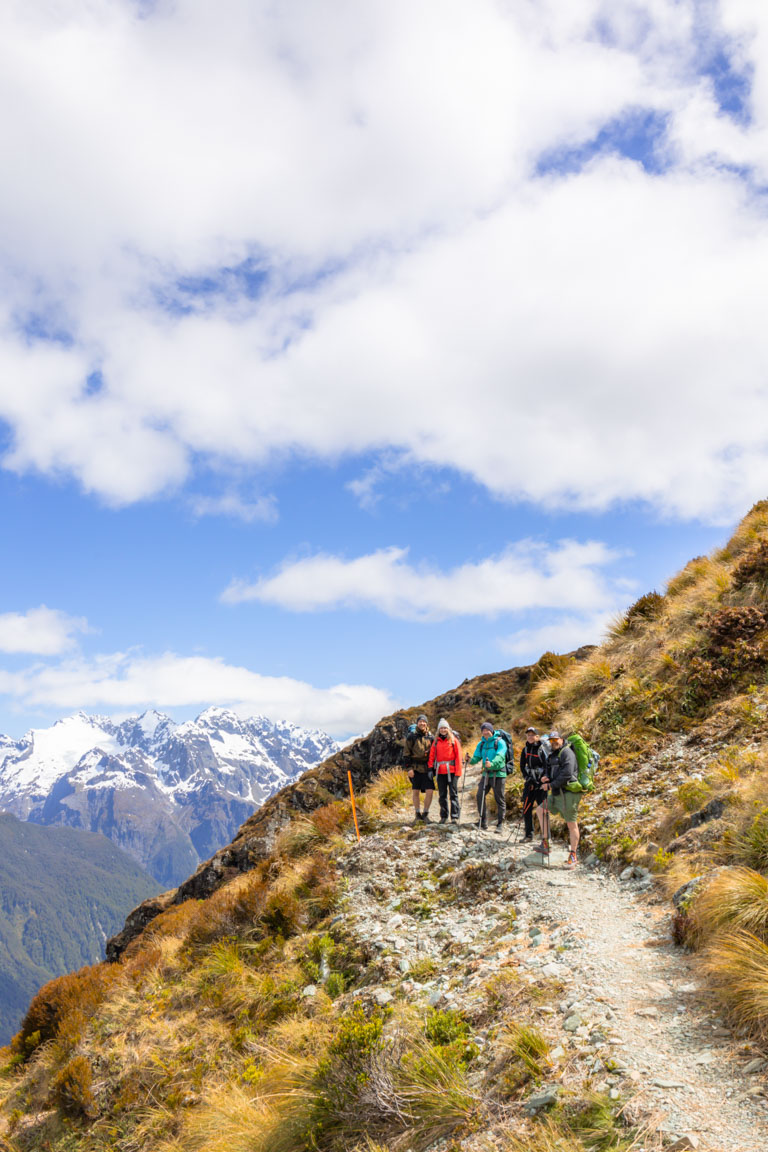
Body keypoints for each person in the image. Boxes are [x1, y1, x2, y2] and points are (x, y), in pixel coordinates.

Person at [536, 729, 580, 869]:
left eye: (556, 740)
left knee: (571, 823)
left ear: (561, 739)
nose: (553, 742)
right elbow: (549, 770)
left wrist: (550, 785)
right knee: (540, 810)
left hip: (568, 793)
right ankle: (545, 843)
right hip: (556, 792)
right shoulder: (552, 754)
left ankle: (573, 855)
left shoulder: (567, 752)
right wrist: (545, 777)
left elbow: (567, 773)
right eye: (551, 740)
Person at [469, 721, 507, 832]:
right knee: (480, 795)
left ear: (491, 730)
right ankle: (483, 821)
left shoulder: (500, 742)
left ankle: (500, 824)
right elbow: (476, 757)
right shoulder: (481, 744)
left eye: (487, 730)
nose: (485, 732)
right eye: (483, 730)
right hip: (486, 774)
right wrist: (470, 760)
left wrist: (492, 764)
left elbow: (500, 755)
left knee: (499, 799)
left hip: (498, 774)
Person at [428, 718, 463, 824]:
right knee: (442, 795)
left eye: (445, 728)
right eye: (441, 728)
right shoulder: (435, 742)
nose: (443, 730)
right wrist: (430, 769)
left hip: (452, 772)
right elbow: (432, 756)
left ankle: (455, 816)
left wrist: (458, 773)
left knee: (453, 794)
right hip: (440, 772)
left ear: (448, 729)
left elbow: (458, 757)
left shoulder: (453, 740)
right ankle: (444, 816)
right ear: (439, 729)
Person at [403, 714, 435, 822]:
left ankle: (425, 814)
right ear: (417, 723)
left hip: (427, 768)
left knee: (430, 791)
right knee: (415, 791)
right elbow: (406, 754)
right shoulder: (411, 737)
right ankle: (417, 814)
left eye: (424, 721)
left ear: (426, 723)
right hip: (415, 768)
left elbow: (435, 753)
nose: (422, 723)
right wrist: (409, 769)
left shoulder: (431, 737)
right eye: (420, 721)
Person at [519, 726, 547, 842]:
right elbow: (522, 765)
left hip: (541, 785)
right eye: (528, 735)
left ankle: (545, 837)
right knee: (526, 808)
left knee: (543, 809)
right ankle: (529, 835)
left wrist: (541, 780)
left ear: (537, 736)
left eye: (532, 735)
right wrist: (527, 777)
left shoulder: (542, 749)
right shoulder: (525, 750)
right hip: (530, 783)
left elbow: (547, 766)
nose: (530, 737)